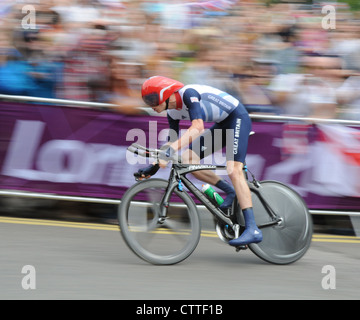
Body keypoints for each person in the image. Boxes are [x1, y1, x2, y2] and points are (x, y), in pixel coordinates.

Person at [137, 75, 262, 246]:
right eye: (146, 101)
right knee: (187, 160)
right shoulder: (172, 111)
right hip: (222, 123)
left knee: (234, 169)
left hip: (237, 117)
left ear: (165, 94)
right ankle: (230, 191)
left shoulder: (188, 93)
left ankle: (253, 229)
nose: (151, 106)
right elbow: (172, 141)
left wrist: (171, 150)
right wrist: (153, 167)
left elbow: (198, 127)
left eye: (152, 100)